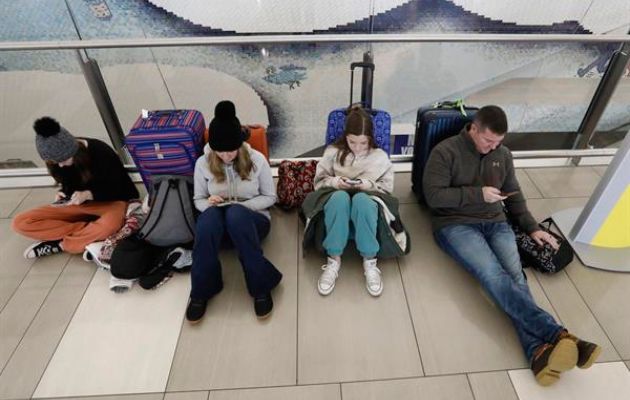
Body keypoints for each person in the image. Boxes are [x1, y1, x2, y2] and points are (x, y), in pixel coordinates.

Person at [423, 105, 601, 386]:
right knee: (493, 275)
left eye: (498, 142)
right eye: (488, 141)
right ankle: (557, 334)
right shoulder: (445, 152)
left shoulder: (502, 155)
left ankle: (538, 354)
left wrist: (532, 228)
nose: (493, 147)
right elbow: (433, 197)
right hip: (455, 224)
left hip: (496, 222)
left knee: (516, 277)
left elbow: (515, 196)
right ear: (473, 129)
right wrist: (478, 194)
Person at [186, 101, 281, 322]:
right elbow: (197, 199)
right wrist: (209, 203)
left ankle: (260, 287)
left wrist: (241, 206)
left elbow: (270, 197)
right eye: (220, 151)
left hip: (252, 223)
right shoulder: (203, 163)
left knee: (235, 215)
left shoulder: (257, 161)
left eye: (231, 151)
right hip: (220, 229)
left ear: (240, 145)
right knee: (208, 219)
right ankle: (201, 291)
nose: (226, 156)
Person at [302, 104, 408, 297]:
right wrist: (336, 182)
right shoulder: (333, 151)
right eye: (352, 142)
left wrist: (368, 185)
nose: (357, 148)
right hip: (335, 198)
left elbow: (387, 189)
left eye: (363, 143)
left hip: (367, 201)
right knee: (340, 198)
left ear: (371, 139)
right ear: (346, 137)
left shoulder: (380, 157)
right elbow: (318, 182)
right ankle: (334, 258)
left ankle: (370, 260)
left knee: (361, 201)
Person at [12, 117, 139, 258]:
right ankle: (87, 233)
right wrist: (63, 193)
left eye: (63, 160)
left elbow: (123, 190)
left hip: (112, 203)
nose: (60, 165)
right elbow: (68, 185)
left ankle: (61, 244)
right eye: (55, 162)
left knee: (110, 226)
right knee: (20, 222)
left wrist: (89, 194)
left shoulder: (100, 152)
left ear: (74, 151)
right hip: (78, 204)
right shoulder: (58, 161)